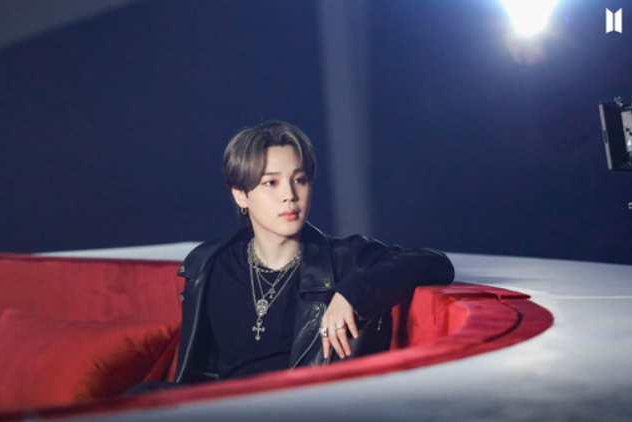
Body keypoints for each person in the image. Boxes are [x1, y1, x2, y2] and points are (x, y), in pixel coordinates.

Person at [125, 120, 454, 394]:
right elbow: (201, 372)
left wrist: (351, 294)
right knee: (139, 398)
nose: (290, 195)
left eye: (299, 180)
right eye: (271, 182)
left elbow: (434, 261)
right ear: (241, 195)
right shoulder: (210, 265)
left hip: (295, 414)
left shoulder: (343, 259)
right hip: (221, 414)